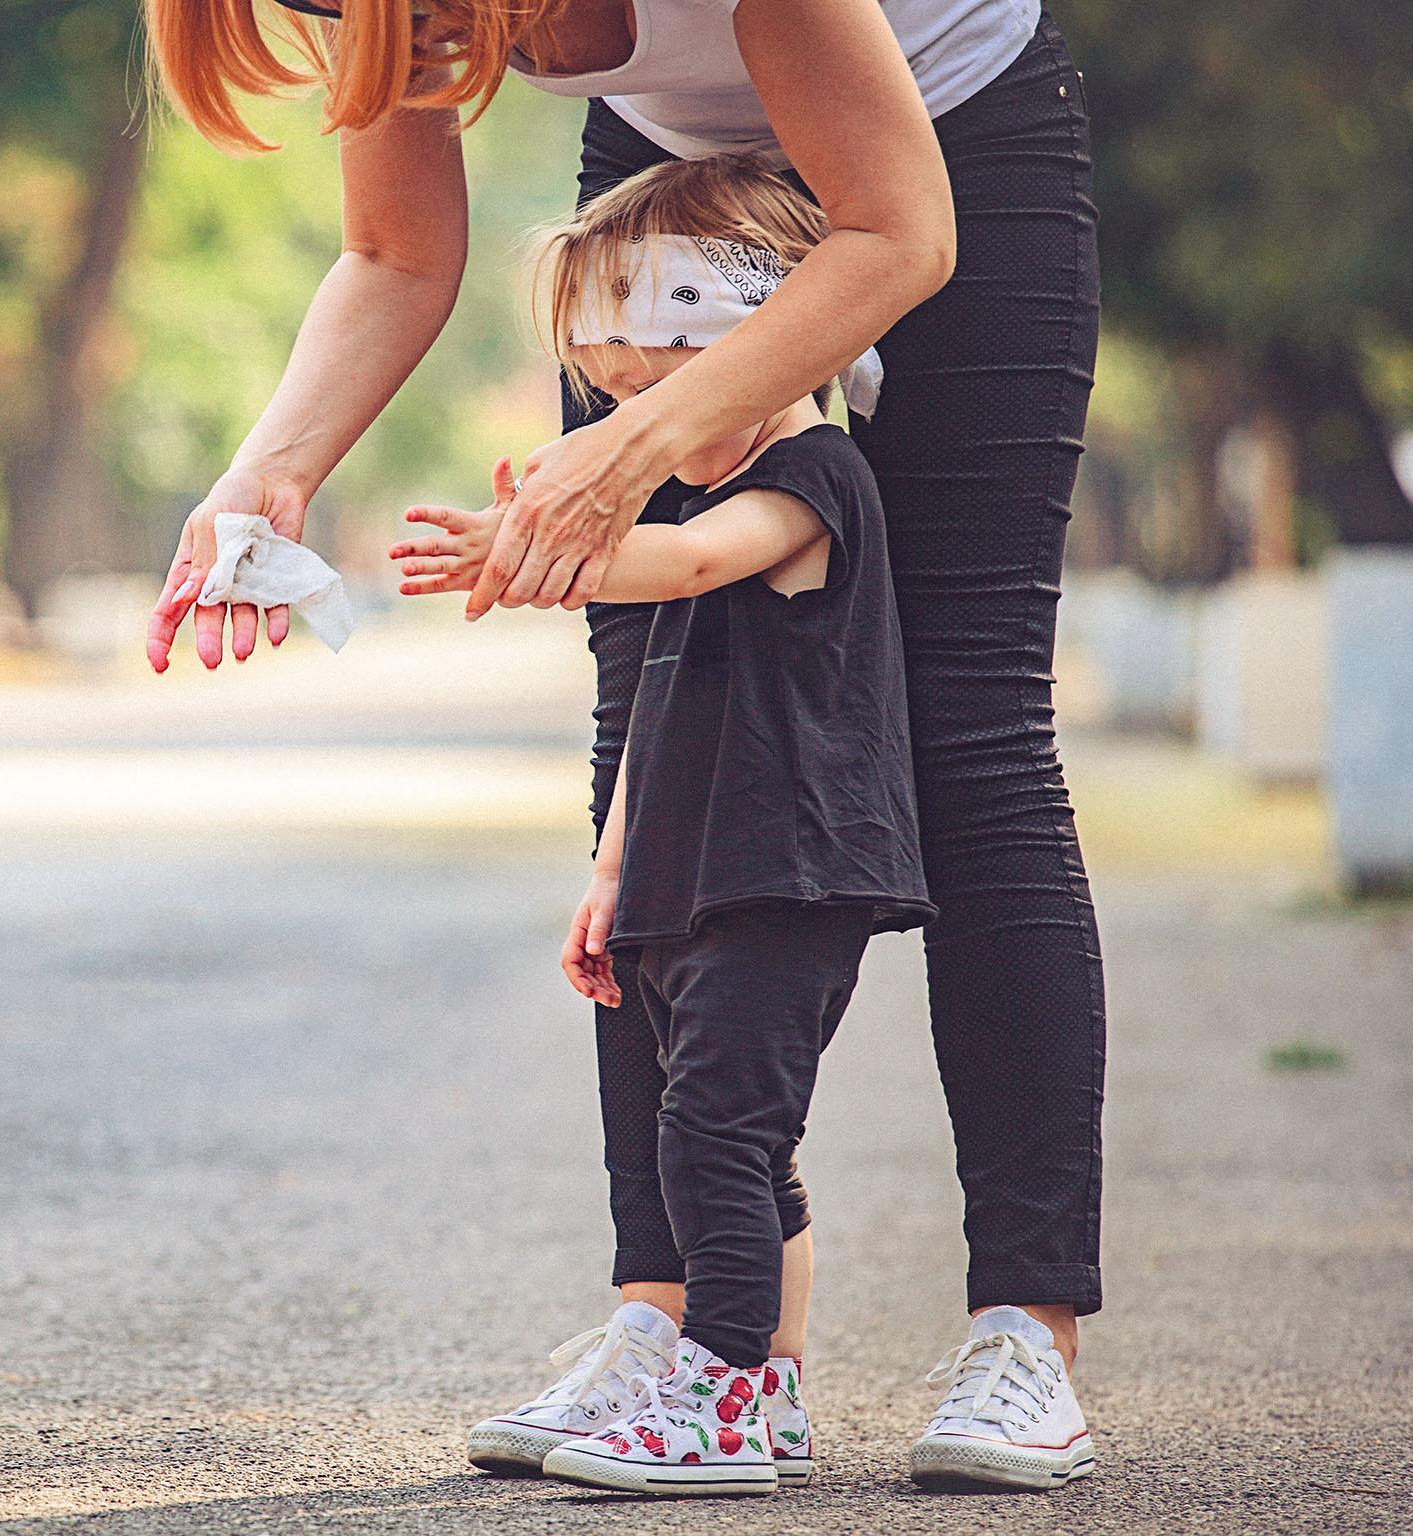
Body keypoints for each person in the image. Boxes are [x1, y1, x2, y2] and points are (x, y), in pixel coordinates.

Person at [141, 0, 1105, 1492]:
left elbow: (901, 234)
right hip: (673, 187)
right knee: (656, 725)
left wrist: (639, 443)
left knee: (968, 737)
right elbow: (395, 250)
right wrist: (270, 472)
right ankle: (689, 1334)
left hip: (943, 152)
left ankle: (1023, 1334)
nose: (370, 28)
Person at [394, 153, 946, 1493]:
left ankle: (722, 1398)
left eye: (661, 387)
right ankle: (776, 1393)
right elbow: (651, 701)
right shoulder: (701, 491)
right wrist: (611, 868)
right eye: (621, 396)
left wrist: (533, 544)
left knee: (714, 1139)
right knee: (738, 1141)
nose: (639, 423)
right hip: (695, 876)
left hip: (789, 874)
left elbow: (692, 565)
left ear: (759, 344)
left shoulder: (811, 478)